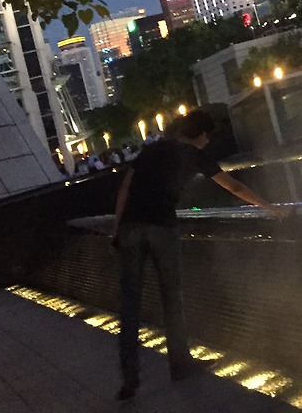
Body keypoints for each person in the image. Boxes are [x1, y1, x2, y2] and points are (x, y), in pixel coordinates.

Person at [109, 109, 285, 400]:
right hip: (162, 227)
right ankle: (180, 364)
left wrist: (117, 227)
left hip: (130, 228)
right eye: (207, 137)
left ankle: (129, 377)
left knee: (129, 303)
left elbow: (126, 186)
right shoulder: (194, 154)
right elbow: (234, 186)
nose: (207, 142)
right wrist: (270, 207)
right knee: (172, 298)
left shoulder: (153, 149)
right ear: (202, 135)